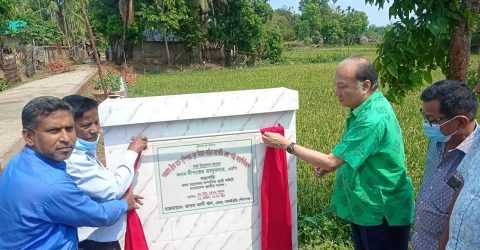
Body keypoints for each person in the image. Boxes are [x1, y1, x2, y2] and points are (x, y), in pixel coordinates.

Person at [262, 56, 414, 250]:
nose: (337, 93)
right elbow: (353, 152)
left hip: (380, 210)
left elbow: (330, 161)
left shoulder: (372, 119)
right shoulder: (365, 107)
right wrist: (333, 164)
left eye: (343, 87)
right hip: (366, 206)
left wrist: (287, 145)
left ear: (366, 85)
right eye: (336, 86)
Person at [0, 96, 138, 250]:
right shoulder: (52, 185)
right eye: (54, 131)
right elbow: (99, 215)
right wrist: (124, 204)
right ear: (29, 137)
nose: (66, 138)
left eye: (69, 128)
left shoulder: (17, 163)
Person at [63, 95, 147, 250]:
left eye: (96, 123)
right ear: (68, 128)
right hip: (91, 241)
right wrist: (132, 152)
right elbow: (113, 190)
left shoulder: (84, 152)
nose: (94, 130)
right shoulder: (74, 160)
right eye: (86, 125)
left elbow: (98, 188)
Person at [411, 80, 478, 250]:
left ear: (461, 122)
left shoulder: (474, 158)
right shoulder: (437, 141)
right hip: (420, 240)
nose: (427, 125)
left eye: (433, 120)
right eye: (424, 116)